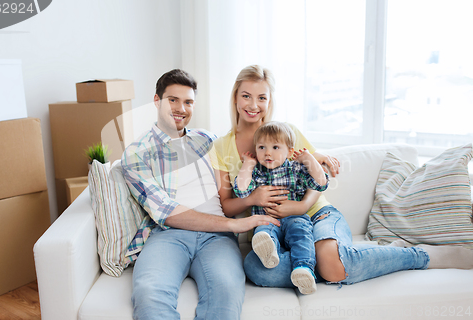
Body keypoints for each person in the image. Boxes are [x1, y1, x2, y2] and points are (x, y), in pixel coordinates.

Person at [212, 64, 473, 290]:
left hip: (315, 214)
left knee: (332, 267)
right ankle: (327, 261)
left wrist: (302, 204)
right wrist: (253, 198)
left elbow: (319, 173)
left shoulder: (285, 132)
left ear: (270, 101)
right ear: (235, 97)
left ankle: (418, 256)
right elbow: (226, 204)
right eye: (246, 96)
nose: (253, 105)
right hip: (272, 231)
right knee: (257, 270)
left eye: (262, 98)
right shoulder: (221, 146)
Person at [121, 69, 279, 320]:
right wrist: (234, 224)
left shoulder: (208, 140)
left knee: (227, 292)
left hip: (217, 240)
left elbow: (264, 149)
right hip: (168, 236)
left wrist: (313, 159)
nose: (180, 108)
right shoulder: (136, 154)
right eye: (172, 100)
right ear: (156, 101)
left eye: (188, 102)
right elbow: (167, 213)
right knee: (149, 293)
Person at [233, 121, 329, 294]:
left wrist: (309, 159)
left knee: (302, 234)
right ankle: (269, 253)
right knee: (263, 231)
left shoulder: (296, 169)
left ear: (290, 152)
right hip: (267, 219)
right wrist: (248, 165)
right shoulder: (257, 172)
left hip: (295, 217)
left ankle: (304, 269)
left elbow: (321, 183)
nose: (268, 152)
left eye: (275, 147)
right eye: (261, 147)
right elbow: (241, 191)